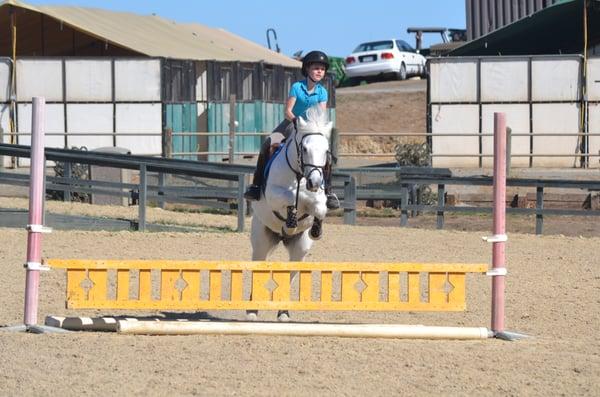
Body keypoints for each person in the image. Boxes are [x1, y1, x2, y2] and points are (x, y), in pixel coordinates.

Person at [243, 50, 340, 210]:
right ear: (307, 69)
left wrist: (314, 129)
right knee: (268, 143)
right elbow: (287, 111)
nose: (319, 72)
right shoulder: (297, 87)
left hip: (311, 128)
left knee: (326, 155)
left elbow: (320, 114)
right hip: (292, 123)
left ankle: (329, 192)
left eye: (322, 69)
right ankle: (256, 185)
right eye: (316, 68)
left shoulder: (322, 92)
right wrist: (297, 122)